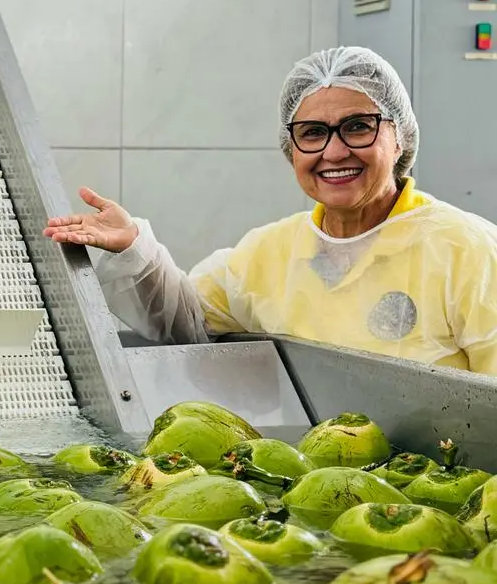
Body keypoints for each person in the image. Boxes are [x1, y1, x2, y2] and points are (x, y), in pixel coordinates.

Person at [43, 46, 497, 373]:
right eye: (313, 132)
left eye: (358, 127)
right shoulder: (271, 251)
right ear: (290, 149)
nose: (335, 152)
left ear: (399, 138)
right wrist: (133, 248)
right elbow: (186, 322)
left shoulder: (466, 250)